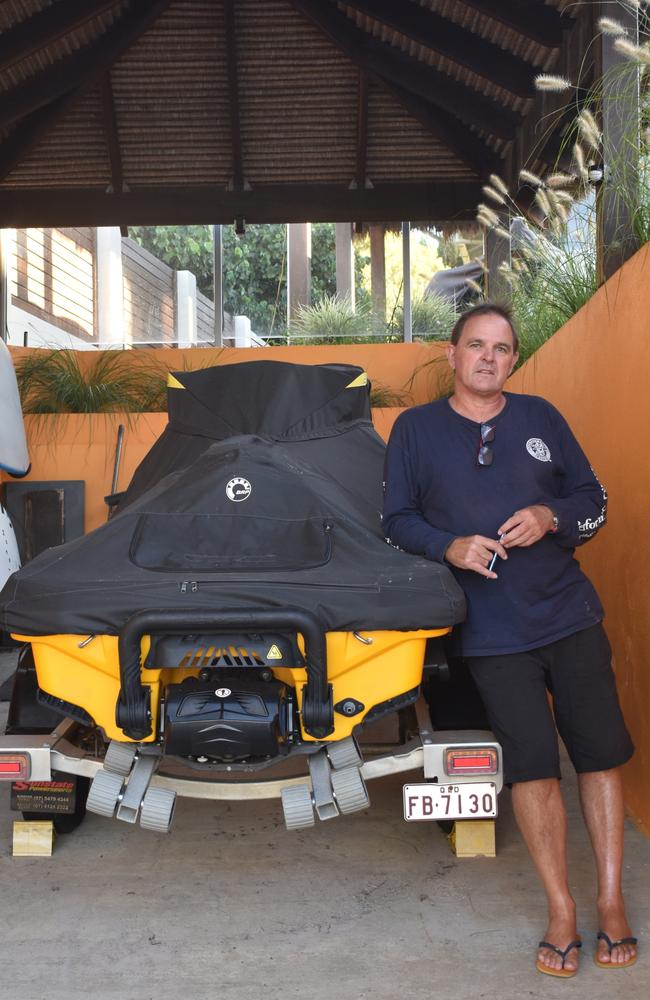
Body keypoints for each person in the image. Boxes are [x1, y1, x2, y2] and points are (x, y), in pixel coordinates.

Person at [382, 303, 637, 978]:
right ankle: (561, 908)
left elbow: (593, 497)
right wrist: (451, 546)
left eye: (501, 348)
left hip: (569, 616)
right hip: (491, 633)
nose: (488, 357)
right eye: (476, 345)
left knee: (600, 756)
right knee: (530, 767)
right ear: (453, 354)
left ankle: (611, 902)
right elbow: (395, 522)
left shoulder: (541, 418)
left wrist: (550, 514)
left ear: (513, 361)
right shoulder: (415, 430)